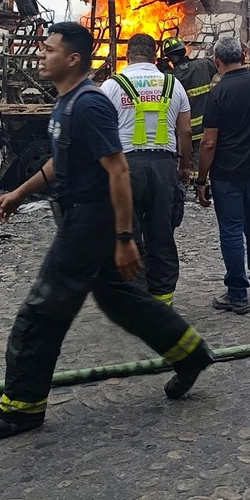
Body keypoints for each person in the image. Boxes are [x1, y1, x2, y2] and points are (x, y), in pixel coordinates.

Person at [0, 22, 214, 439]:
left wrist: (123, 238)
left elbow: (117, 167)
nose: (41, 56)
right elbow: (59, 163)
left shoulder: (90, 104)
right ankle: (189, 354)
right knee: (124, 302)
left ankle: (22, 407)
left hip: (87, 221)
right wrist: (18, 193)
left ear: (73, 59)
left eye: (49, 50)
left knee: (41, 312)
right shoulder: (68, 104)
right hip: (79, 217)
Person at [100, 33, 192, 307]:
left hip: (125, 168)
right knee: (161, 234)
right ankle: (162, 301)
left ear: (128, 55)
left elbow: (101, 132)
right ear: (155, 57)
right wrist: (185, 166)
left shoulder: (112, 86)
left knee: (128, 233)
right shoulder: (173, 84)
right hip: (163, 168)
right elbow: (185, 130)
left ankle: (136, 301)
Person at [196, 36, 250, 315]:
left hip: (226, 175)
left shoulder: (218, 94)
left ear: (217, 61)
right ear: (244, 55)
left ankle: (237, 294)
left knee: (232, 231)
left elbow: (209, 143)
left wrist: (201, 179)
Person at [163, 37, 217, 174]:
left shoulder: (169, 77)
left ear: (171, 57)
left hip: (181, 133)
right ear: (184, 50)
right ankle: (202, 189)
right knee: (203, 165)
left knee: (181, 165)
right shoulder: (204, 65)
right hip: (205, 128)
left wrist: (161, 68)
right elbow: (215, 64)